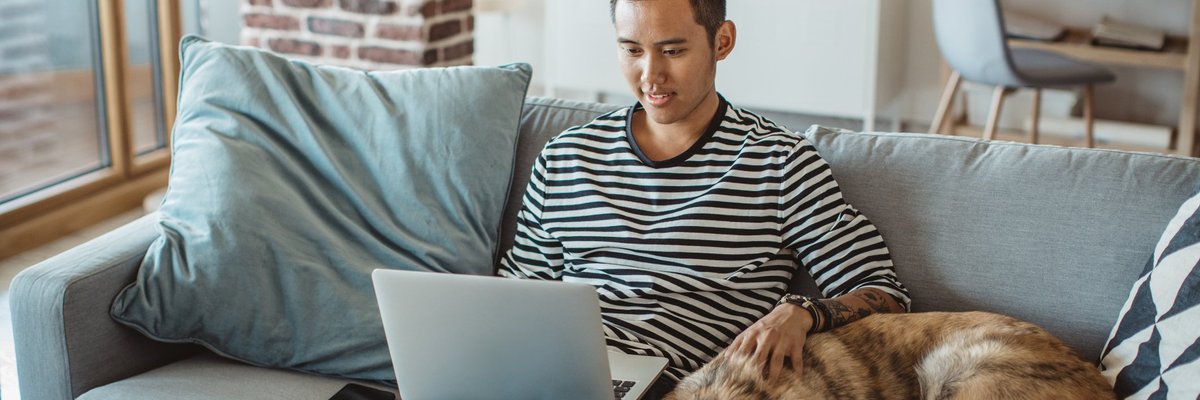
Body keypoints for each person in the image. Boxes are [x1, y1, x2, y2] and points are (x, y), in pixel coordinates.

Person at [498, 0, 910, 397]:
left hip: (674, 386)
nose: (650, 75)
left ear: (722, 41)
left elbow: (884, 293)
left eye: (672, 50)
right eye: (631, 50)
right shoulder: (564, 157)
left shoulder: (780, 163)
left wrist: (801, 312)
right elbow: (515, 297)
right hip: (549, 372)